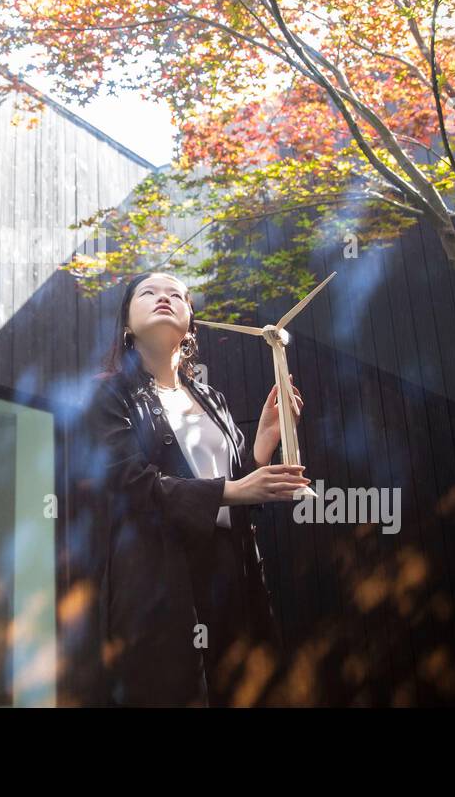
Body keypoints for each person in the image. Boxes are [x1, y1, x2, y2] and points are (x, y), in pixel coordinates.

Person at [76, 271, 308, 707]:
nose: (164, 298)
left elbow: (234, 482)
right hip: (160, 580)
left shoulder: (211, 399)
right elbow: (130, 484)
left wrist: (264, 440)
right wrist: (232, 491)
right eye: (148, 293)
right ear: (126, 324)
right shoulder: (109, 394)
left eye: (176, 295)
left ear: (190, 324)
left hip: (232, 574)